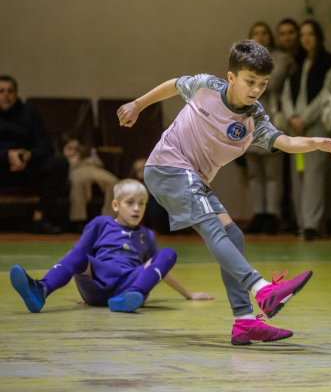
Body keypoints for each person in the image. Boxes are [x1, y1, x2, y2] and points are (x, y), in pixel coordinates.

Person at [116, 39, 331, 345]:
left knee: (233, 235)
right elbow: (173, 85)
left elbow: (285, 142)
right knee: (213, 228)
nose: (256, 89)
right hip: (167, 167)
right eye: (250, 81)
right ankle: (261, 288)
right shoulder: (205, 86)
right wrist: (138, 105)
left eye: (263, 83)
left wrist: (314, 142)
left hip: (195, 180)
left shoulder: (254, 118)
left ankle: (244, 322)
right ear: (231, 77)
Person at [9, 179, 212, 314]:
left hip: (128, 283)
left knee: (168, 253)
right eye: (130, 202)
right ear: (115, 205)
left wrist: (188, 294)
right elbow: (76, 261)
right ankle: (41, 290)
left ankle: (131, 296)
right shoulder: (101, 223)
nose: (136, 208)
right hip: (101, 279)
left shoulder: (147, 235)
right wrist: (85, 294)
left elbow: (157, 268)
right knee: (76, 253)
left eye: (141, 203)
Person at [281, 20, 331, 241]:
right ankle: (302, 222)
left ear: (318, 36)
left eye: (310, 34)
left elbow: (326, 94)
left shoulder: (329, 62)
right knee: (299, 175)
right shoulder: (295, 62)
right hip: (295, 128)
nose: (306, 39)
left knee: (314, 174)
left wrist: (304, 118)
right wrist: (291, 117)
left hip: (315, 126)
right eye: (303, 35)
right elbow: (286, 93)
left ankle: (312, 223)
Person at [0, 75, 68, 234]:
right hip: (1, 166)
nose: (6, 95)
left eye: (10, 91)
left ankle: (39, 218)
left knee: (59, 163)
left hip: (27, 167)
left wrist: (29, 155)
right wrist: (7, 155)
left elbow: (45, 145)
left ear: (16, 93)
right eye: (1, 91)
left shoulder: (29, 113)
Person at [244, 22, 294, 235]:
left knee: (273, 173)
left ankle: (272, 216)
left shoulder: (280, 58)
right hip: (246, 121)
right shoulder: (241, 59)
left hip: (270, 120)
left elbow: (271, 84)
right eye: (256, 33)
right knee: (254, 173)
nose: (260, 36)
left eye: (264, 33)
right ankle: (259, 214)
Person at [61, 132, 119, 232]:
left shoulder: (89, 152)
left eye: (77, 149)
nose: (74, 151)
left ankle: (110, 219)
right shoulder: (60, 159)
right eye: (70, 149)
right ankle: (78, 221)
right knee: (78, 182)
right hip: (75, 169)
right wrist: (69, 162)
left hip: (92, 166)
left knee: (114, 182)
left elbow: (98, 163)